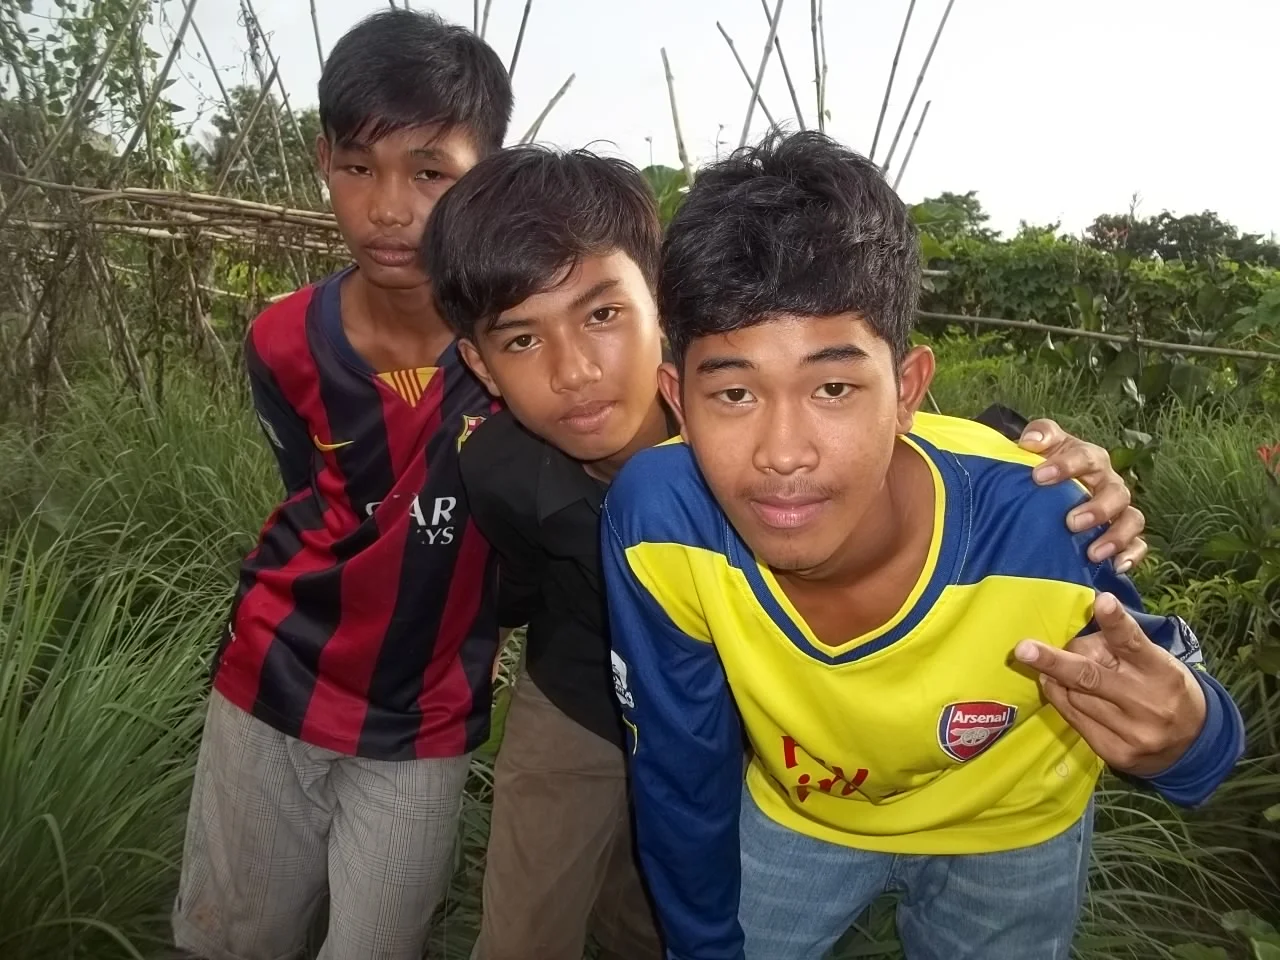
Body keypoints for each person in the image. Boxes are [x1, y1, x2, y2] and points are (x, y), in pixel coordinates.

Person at [422, 144, 1151, 960]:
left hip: (773, 720)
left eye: (602, 315)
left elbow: (931, 458)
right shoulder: (499, 468)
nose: (576, 371)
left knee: (664, 914)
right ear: (482, 364)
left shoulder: (798, 414)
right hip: (584, 696)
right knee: (531, 920)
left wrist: (1063, 477)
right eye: (523, 340)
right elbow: (512, 587)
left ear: (663, 304)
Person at [599, 131, 1247, 960]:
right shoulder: (661, 523)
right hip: (807, 814)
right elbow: (679, 771)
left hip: (1015, 824)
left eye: (834, 387)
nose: (783, 453)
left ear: (906, 390)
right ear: (678, 401)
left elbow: (1173, 701)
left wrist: (1189, 736)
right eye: (733, 393)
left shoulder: (1038, 523)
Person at [172, 11, 512, 960]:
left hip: (425, 717)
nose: (389, 208)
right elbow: (312, 492)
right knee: (234, 940)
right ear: (323, 159)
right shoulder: (280, 340)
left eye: (430, 172)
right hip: (270, 685)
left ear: (485, 173)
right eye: (358, 166)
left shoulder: (521, 354)